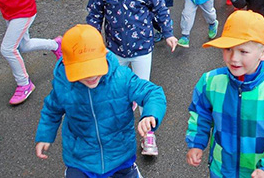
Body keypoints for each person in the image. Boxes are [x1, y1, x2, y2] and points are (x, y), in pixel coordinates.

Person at [35, 24, 167, 177]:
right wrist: (45, 135)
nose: (91, 76)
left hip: (119, 154)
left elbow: (152, 93)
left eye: (94, 67)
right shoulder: (63, 85)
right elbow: (51, 110)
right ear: (68, 65)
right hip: (81, 159)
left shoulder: (121, 77)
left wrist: (150, 114)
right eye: (84, 70)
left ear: (104, 55)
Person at [86, 0, 177, 154]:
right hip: (114, 50)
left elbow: (161, 10)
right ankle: (112, 130)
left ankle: (149, 135)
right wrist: (91, 39)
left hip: (142, 50)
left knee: (143, 90)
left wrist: (168, 33)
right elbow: (94, 15)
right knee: (112, 89)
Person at [186, 10, 264, 177]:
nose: (234, 58)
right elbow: (200, 114)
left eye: (243, 51)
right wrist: (196, 143)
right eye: (228, 49)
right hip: (221, 170)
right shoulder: (210, 82)